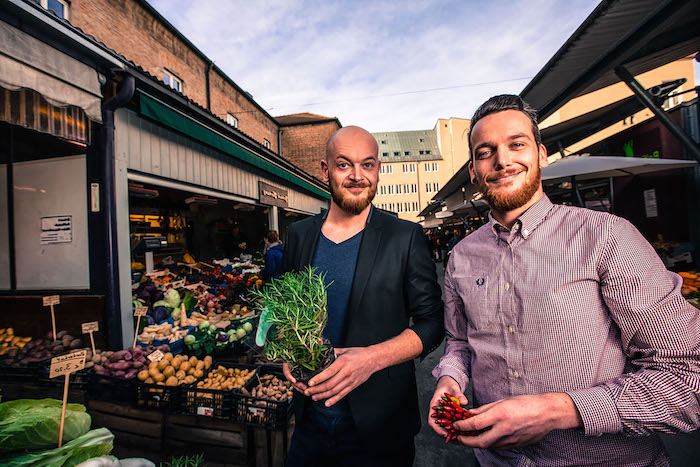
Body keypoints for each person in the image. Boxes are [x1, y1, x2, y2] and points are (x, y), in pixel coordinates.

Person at [430, 94, 700, 465]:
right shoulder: (462, 255)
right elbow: (461, 342)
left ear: (541, 154)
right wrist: (451, 381)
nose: (503, 160)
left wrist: (560, 410)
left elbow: (687, 381)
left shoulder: (607, 237)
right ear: (473, 171)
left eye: (516, 144)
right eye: (485, 151)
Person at [280, 125, 444, 466]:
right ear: (326, 171)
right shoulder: (299, 235)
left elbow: (432, 323)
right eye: (344, 165)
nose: (357, 176)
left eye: (367, 165)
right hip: (310, 424)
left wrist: (371, 359)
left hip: (379, 429)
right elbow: (284, 310)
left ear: (378, 170)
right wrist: (287, 356)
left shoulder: (405, 235)